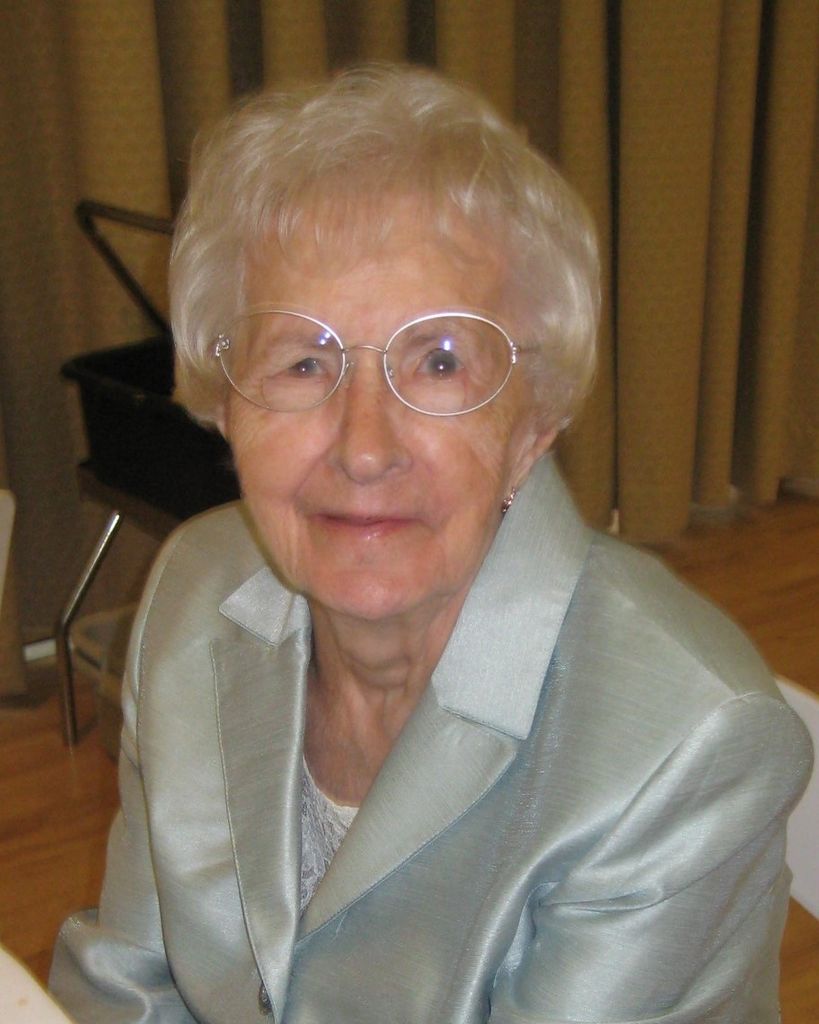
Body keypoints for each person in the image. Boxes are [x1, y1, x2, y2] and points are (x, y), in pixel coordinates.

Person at [50, 65, 811, 1024]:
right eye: (303, 361)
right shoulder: (194, 591)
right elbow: (127, 984)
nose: (363, 447)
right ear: (225, 402)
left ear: (534, 421)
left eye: (439, 362)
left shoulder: (681, 750)